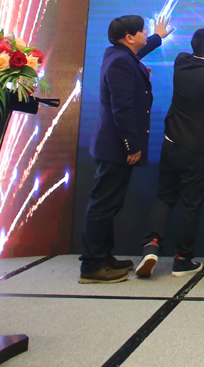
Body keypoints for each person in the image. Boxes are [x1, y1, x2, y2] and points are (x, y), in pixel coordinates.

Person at [80, 15, 172, 284]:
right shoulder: (121, 61)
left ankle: (103, 256)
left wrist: (158, 37)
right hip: (116, 146)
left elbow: (138, 52)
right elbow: (122, 108)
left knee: (109, 203)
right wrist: (131, 145)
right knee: (103, 205)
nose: (145, 33)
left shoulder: (119, 55)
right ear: (129, 37)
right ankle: (92, 265)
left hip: (112, 144)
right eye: (143, 31)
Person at [136, 24, 204, 279]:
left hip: (171, 143)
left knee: (164, 197)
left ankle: (151, 245)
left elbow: (195, 53)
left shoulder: (181, 62)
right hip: (197, 150)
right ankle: (182, 259)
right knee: (191, 204)